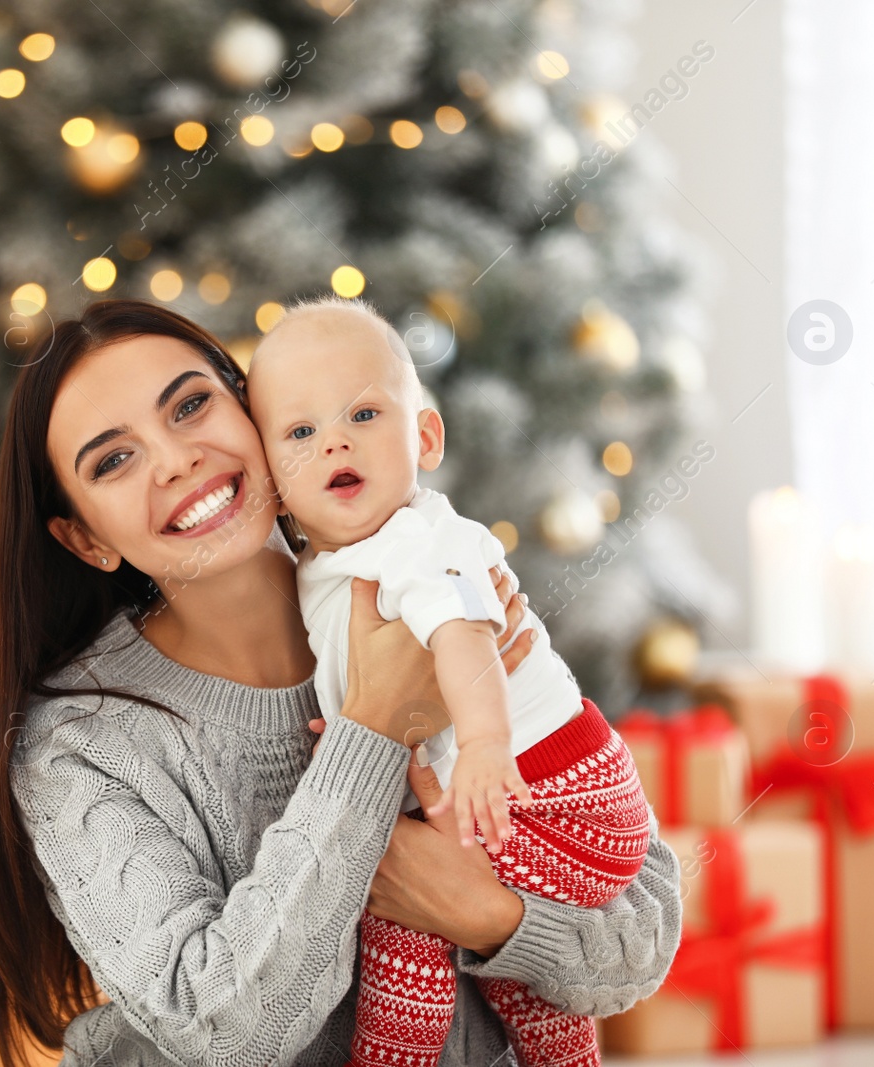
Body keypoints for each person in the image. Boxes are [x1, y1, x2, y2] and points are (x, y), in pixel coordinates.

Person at [0, 299, 681, 1067]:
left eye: (191, 405)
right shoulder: (78, 742)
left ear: (256, 413)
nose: (176, 460)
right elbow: (227, 1035)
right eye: (114, 459)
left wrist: (489, 915)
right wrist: (372, 726)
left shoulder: (429, 581)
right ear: (85, 537)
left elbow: (640, 937)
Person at [246, 295, 652, 1067]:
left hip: (559, 792)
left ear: (424, 436)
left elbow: (465, 631)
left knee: (404, 914)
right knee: (524, 986)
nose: (335, 441)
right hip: (534, 792)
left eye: (362, 415)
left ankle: (394, 1056)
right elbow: (370, 679)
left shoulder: (417, 543)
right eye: (301, 432)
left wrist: (486, 743)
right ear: (271, 477)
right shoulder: (323, 567)